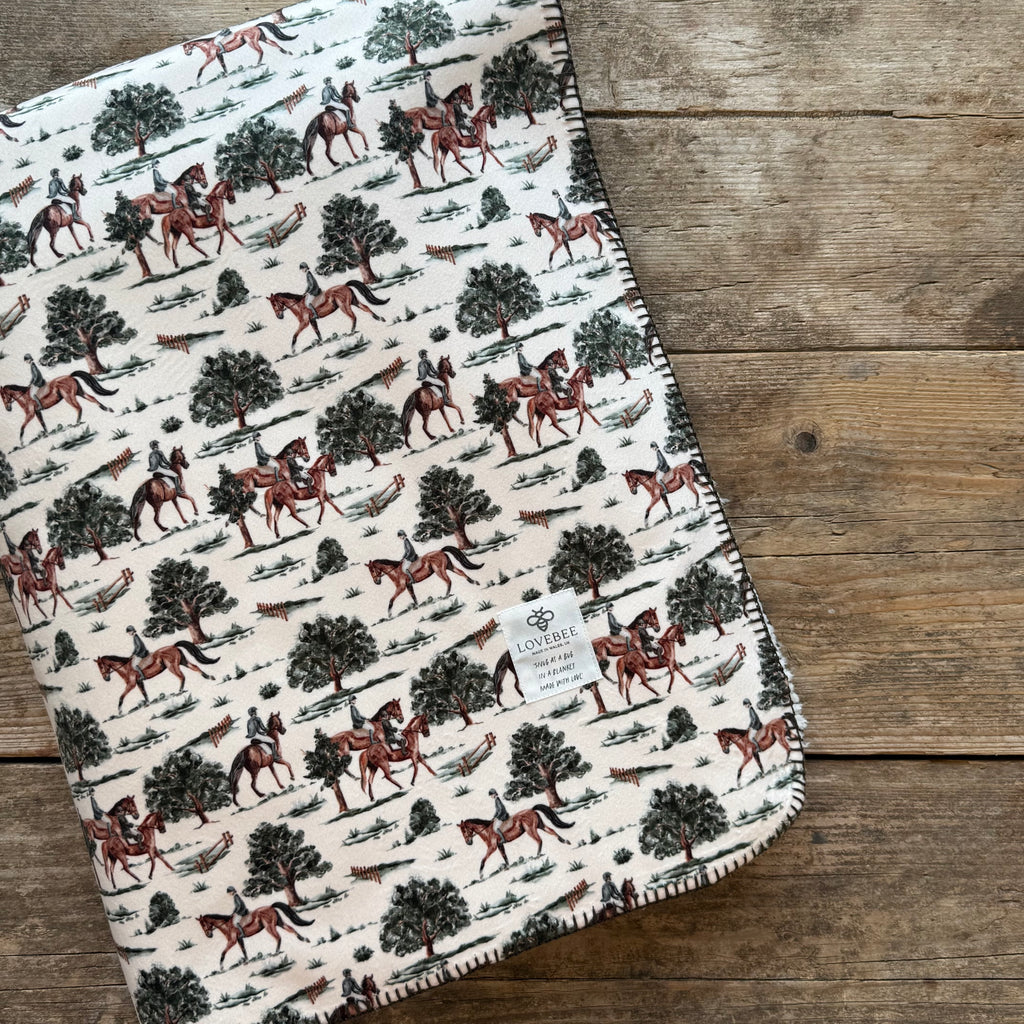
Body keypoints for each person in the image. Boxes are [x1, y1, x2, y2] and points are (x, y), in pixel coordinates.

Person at [126, 625, 149, 693]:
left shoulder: (136, 637)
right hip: (139, 652)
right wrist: (133, 653)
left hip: (142, 652)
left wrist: (135, 654)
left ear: (132, 631)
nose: (129, 633)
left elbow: (139, 647)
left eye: (129, 632)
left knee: (135, 665)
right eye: (128, 632)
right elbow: (136, 648)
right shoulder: (134, 637)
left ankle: (142, 676)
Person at [299, 261, 322, 326]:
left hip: (314, 290)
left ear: (306, 268)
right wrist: (305, 291)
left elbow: (312, 285)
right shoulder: (307, 274)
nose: (302, 270)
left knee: (308, 303)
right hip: (312, 289)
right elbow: (308, 285)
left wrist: (308, 292)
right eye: (301, 269)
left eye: (302, 269)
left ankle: (315, 314)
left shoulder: (309, 274)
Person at [23, 353, 45, 418]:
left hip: (38, 381)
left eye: (26, 360)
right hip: (37, 380)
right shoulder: (32, 365)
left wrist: (33, 383)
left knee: (32, 394)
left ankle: (40, 406)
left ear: (29, 359)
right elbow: (33, 376)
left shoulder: (33, 366)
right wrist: (30, 383)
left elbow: (36, 376)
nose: (26, 362)